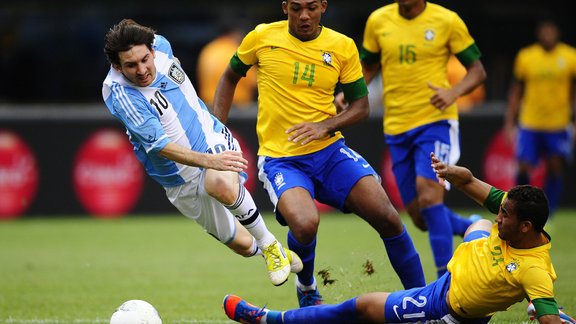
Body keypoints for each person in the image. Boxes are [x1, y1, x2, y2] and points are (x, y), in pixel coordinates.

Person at [213, 0, 425, 307]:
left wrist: (326, 125)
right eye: (296, 8)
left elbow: (360, 107)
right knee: (306, 223)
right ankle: (307, 286)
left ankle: (423, 302)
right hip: (281, 159)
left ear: (323, 7)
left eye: (311, 7)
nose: (304, 16)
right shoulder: (261, 37)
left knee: (389, 218)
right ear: (285, 7)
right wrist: (217, 129)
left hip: (330, 153)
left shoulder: (342, 46)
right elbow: (230, 77)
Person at [222, 153, 575, 324]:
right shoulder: (516, 217)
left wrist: (549, 312)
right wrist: (457, 175)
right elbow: (473, 186)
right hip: (462, 270)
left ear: (526, 227)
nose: (501, 215)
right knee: (479, 225)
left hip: (444, 306)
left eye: (506, 216)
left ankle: (267, 319)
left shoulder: (534, 271)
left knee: (359, 309)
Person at [101, 19, 303, 287]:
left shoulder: (162, 46)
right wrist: (210, 161)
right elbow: (161, 146)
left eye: (144, 59)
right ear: (117, 67)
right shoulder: (121, 95)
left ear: (152, 49)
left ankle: (268, 245)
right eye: (131, 65)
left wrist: (212, 158)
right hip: (177, 179)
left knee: (218, 181)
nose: (141, 69)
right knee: (242, 244)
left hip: (209, 137)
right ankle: (273, 249)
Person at [336, 0, 487, 278]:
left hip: (435, 122)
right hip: (396, 127)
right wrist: (351, 92)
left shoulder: (447, 20)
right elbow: (368, 67)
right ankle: (472, 226)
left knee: (430, 198)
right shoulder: (378, 20)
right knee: (419, 216)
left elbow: (477, 70)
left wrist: (453, 93)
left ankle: (447, 283)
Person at [504, 20, 576, 218]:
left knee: (555, 167)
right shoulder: (527, 57)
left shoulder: (570, 56)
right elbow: (516, 91)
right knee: (524, 165)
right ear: (539, 33)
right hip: (530, 122)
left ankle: (548, 213)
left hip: (558, 123)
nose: (547, 35)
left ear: (557, 32)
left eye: (551, 31)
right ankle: (518, 208)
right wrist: (510, 123)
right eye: (544, 31)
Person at [196, 21, 257, 108]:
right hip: (236, 109)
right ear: (236, 34)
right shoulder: (236, 51)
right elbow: (254, 82)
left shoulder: (207, 50)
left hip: (208, 107)